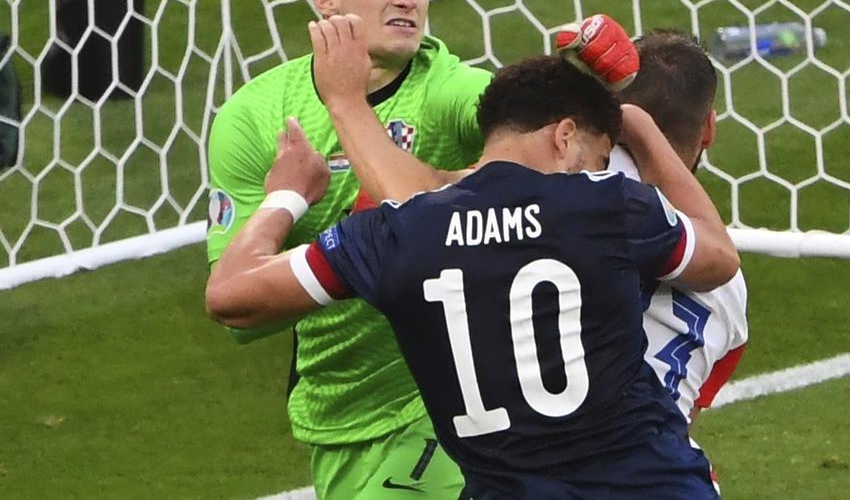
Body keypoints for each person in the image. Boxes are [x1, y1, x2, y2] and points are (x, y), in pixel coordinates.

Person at [204, 45, 742, 498]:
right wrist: (641, 128)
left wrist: (285, 197)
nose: (601, 172)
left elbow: (230, 295)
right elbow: (719, 257)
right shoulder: (606, 205)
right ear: (563, 137)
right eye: (600, 159)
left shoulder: (398, 233)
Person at [204, 0, 490, 499]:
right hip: (337, 411)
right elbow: (240, 313)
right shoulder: (255, 117)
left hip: (450, 398)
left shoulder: (446, 88)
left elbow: (533, 134)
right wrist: (288, 199)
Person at [616, 31, 749, 425]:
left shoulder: (563, 196)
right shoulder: (731, 290)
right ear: (709, 128)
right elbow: (685, 416)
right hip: (663, 455)